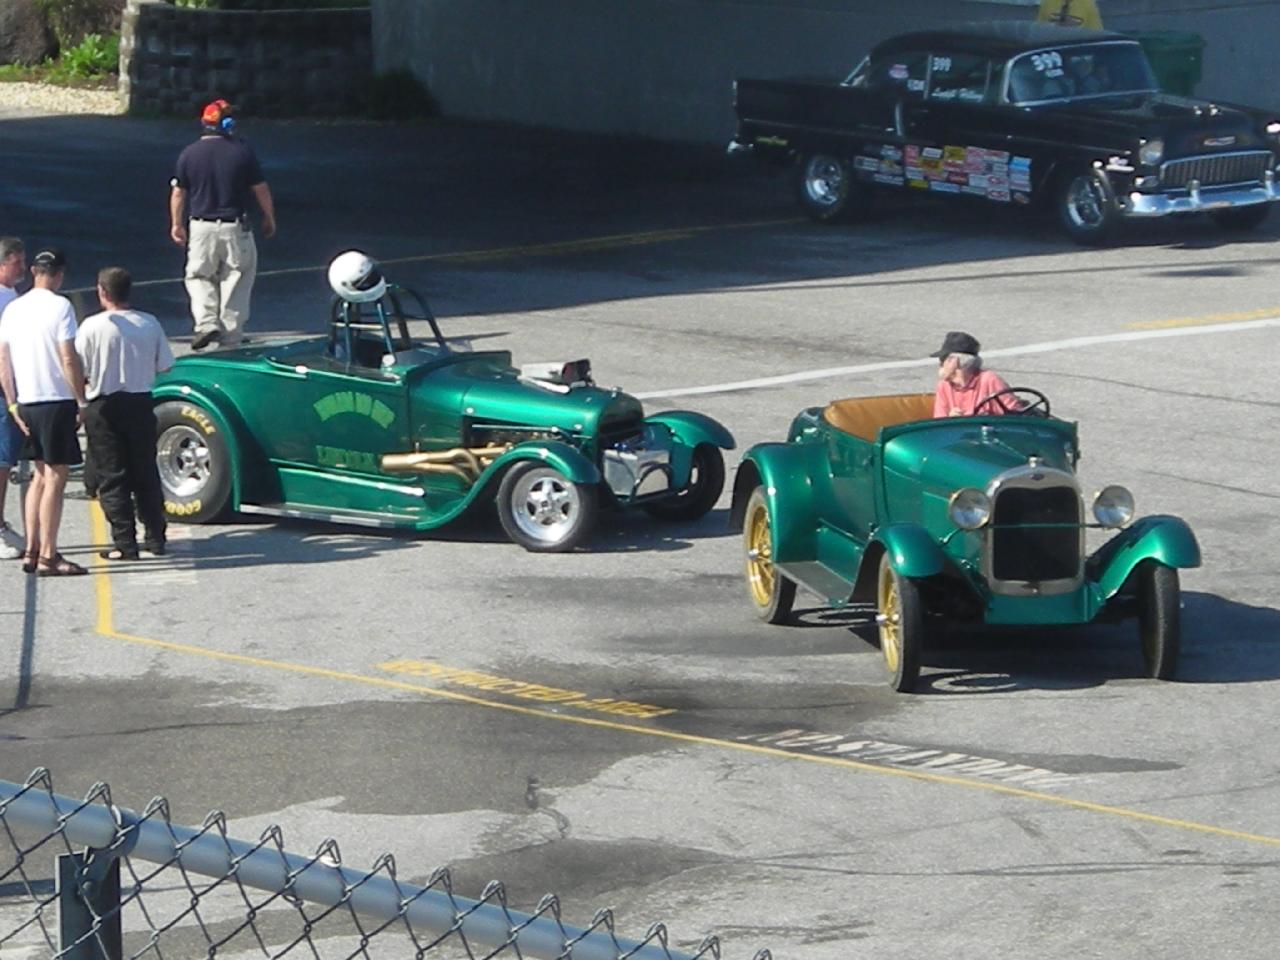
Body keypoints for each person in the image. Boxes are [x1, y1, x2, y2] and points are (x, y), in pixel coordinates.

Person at [0, 247, 88, 576]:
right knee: (55, 477)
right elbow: (68, 357)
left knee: (38, 476)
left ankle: (32, 549)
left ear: (34, 272)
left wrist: (13, 403)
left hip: (27, 400)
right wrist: (81, 400)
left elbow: (3, 359)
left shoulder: (14, 308)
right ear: (59, 275)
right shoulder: (60, 306)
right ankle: (49, 554)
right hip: (55, 399)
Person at [76, 267, 174, 561]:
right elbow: (165, 365)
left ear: (102, 292)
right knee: (145, 471)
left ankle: (124, 541)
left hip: (104, 405)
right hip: (140, 401)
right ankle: (156, 536)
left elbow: (78, 367)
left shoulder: (91, 326)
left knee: (112, 476)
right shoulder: (149, 323)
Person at [169, 98, 277, 352]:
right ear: (227, 124)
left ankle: (206, 323)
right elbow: (260, 188)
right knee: (236, 279)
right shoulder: (242, 152)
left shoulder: (188, 154)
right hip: (234, 227)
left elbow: (178, 193)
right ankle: (231, 340)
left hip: (200, 227)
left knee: (198, 275)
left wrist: (176, 223)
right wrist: (269, 216)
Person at [0, 237, 27, 559]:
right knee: (2, 461)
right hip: (4, 388)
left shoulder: (12, 296)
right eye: (16, 262)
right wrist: (11, 397)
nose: (22, 267)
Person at [931, 331, 1021, 418]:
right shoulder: (943, 386)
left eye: (942, 359)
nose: (940, 364)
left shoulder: (989, 380)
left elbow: (1015, 415)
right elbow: (939, 421)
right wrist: (950, 419)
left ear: (956, 361)